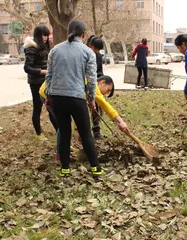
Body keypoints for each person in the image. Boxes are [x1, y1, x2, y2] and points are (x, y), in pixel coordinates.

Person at [45, 20, 112, 177]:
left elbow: (49, 75)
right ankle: (96, 168)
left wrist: (49, 95)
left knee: (64, 132)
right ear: (84, 35)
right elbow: (91, 78)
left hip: (57, 98)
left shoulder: (55, 50)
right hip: (76, 98)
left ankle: (65, 169)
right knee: (86, 133)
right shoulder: (88, 52)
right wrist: (91, 99)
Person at [23, 24, 51, 141]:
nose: (45, 38)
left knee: (51, 105)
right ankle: (38, 133)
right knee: (37, 107)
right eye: (43, 35)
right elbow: (27, 68)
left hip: (47, 81)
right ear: (38, 36)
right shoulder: (31, 48)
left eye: (47, 35)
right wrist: (42, 72)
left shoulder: (46, 47)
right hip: (36, 82)